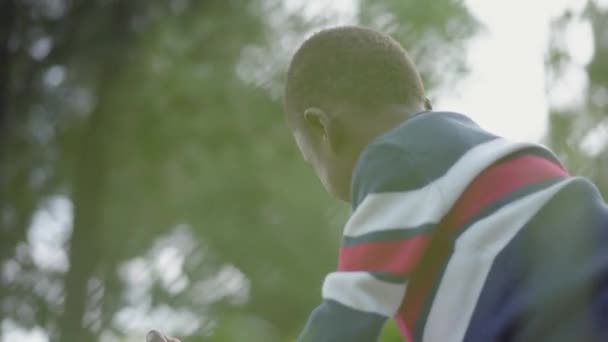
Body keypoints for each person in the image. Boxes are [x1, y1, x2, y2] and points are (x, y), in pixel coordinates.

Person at [149, 26, 608, 342]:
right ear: (423, 102)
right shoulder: (476, 163)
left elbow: (348, 316)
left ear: (325, 130)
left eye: (312, 162)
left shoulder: (395, 159)